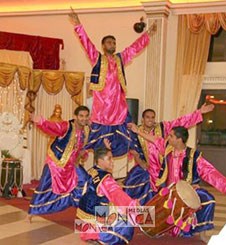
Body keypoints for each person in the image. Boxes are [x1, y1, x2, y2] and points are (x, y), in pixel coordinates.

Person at [128, 124, 226, 242]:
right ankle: (151, 226)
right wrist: (137, 131)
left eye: (171, 136)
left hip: (188, 189)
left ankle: (202, 233)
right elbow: (153, 139)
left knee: (208, 199)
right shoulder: (167, 148)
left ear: (179, 140)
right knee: (151, 197)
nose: (168, 138)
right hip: (168, 189)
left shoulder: (193, 155)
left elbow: (211, 173)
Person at [68, 8, 157, 157]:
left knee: (126, 138)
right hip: (102, 106)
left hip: (118, 106)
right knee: (96, 143)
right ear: (103, 46)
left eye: (114, 43)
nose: (113, 45)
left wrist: (147, 34)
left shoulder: (120, 59)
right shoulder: (97, 58)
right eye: (109, 42)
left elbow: (134, 49)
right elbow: (87, 43)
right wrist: (78, 24)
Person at [123, 103, 214, 205]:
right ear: (142, 119)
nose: (150, 120)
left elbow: (181, 122)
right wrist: (142, 163)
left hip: (164, 170)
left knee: (165, 199)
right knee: (141, 195)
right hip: (146, 169)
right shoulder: (135, 132)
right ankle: (142, 218)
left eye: (153, 117)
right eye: (147, 117)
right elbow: (134, 151)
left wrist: (199, 113)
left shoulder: (162, 127)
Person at [28, 105, 90, 222]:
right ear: (75, 116)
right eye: (81, 116)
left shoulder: (86, 130)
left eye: (86, 116)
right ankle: (31, 213)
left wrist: (83, 153)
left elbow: (83, 145)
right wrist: (41, 121)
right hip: (56, 162)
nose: (84, 119)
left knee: (85, 181)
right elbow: (53, 127)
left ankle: (83, 209)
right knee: (44, 186)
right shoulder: (66, 126)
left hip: (72, 163)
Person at [76, 146, 140, 245]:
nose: (112, 161)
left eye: (112, 158)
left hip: (86, 209)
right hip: (97, 211)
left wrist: (106, 148)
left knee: (112, 206)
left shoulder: (93, 170)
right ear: (100, 160)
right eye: (109, 159)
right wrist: (133, 205)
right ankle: (104, 238)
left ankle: (91, 234)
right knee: (128, 221)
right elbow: (117, 195)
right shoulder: (106, 179)